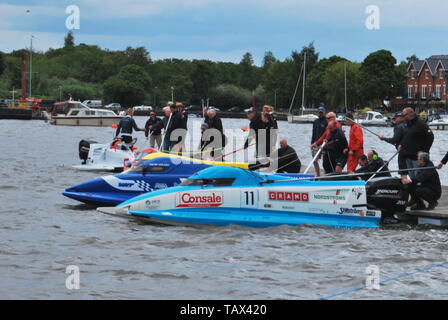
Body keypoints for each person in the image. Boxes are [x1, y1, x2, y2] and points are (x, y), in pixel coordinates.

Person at [398, 107, 434, 184]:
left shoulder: (421, 124)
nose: (403, 117)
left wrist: (424, 151)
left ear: (411, 114)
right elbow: (407, 136)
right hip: (408, 157)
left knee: (418, 179)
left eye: (404, 115)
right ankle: (415, 194)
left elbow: (430, 136)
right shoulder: (408, 124)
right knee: (412, 178)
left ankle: (420, 193)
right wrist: (401, 144)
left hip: (417, 158)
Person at [310, 106, 327, 176]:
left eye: (321, 112)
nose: (320, 114)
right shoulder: (315, 121)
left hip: (324, 144)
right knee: (314, 160)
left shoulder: (326, 121)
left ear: (324, 113)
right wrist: (312, 143)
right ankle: (318, 175)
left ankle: (327, 174)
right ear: (317, 113)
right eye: (319, 112)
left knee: (325, 162)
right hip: (316, 143)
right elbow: (313, 133)